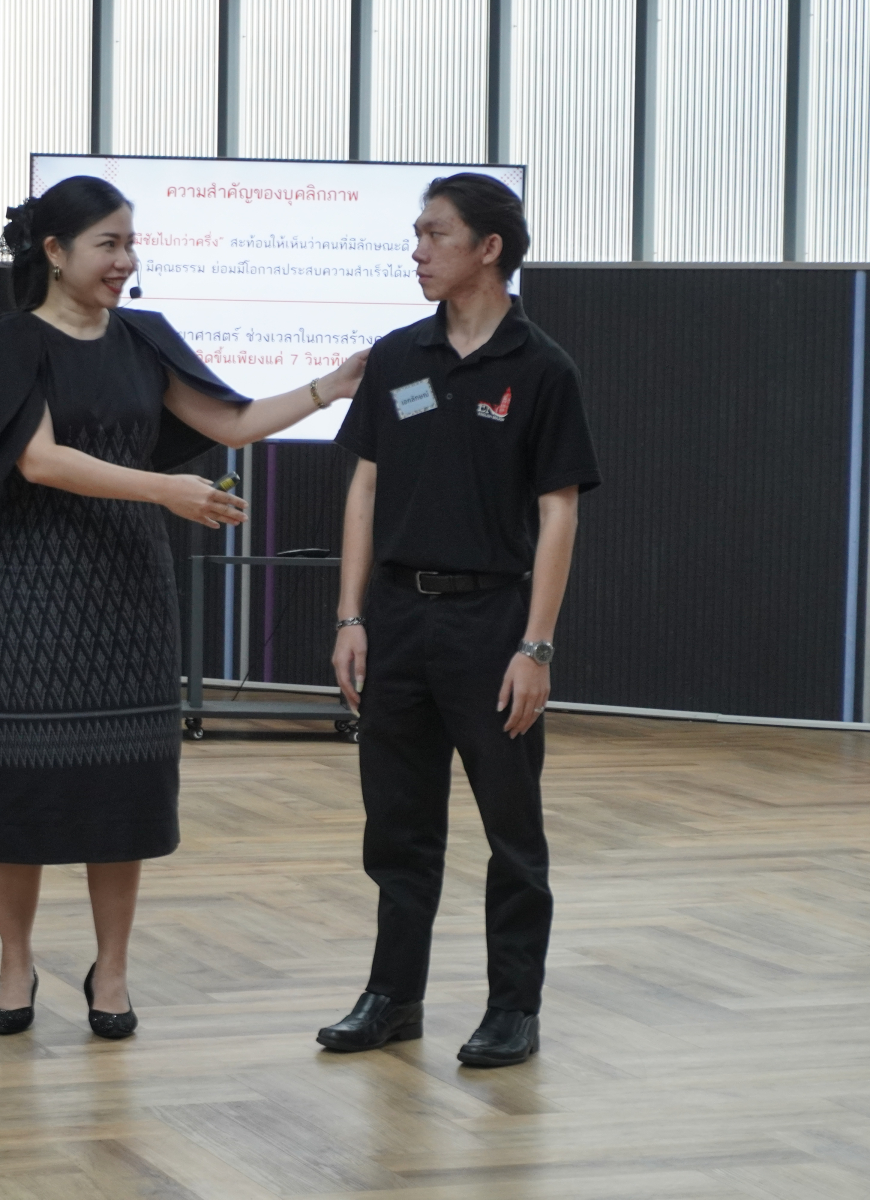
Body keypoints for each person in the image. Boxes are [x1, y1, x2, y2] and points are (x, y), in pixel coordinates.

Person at [0, 176, 369, 1040]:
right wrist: (166, 490)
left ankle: (112, 970)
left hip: (130, 590)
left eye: (131, 243)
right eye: (108, 244)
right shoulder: (11, 340)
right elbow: (40, 462)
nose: (126, 260)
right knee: (22, 781)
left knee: (124, 784)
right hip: (34, 586)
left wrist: (329, 387)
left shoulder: (143, 337)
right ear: (55, 251)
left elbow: (233, 423)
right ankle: (15, 963)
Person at [316, 173, 600, 1067]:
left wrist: (536, 646)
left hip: (492, 624)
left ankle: (514, 1005)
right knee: (397, 826)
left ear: (489, 247)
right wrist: (350, 617)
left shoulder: (543, 368)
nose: (417, 250)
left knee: (512, 831)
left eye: (434, 234)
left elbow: (559, 511)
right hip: (396, 621)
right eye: (416, 234)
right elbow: (364, 489)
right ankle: (392, 996)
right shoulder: (397, 356)